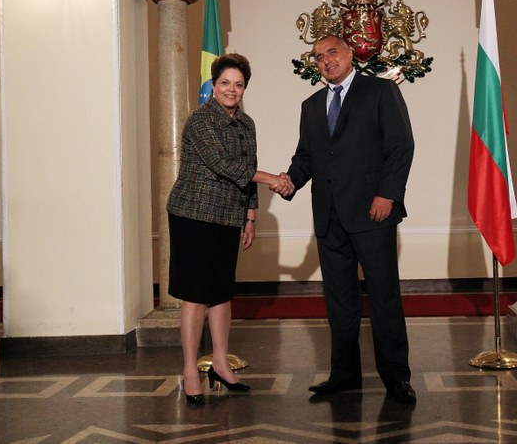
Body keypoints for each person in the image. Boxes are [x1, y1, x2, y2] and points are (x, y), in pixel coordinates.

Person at [283, 35, 416, 403]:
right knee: (339, 300)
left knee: (384, 298)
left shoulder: (380, 91)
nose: (325, 60)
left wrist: (388, 194)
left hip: (374, 213)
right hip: (329, 218)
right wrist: (289, 181)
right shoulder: (311, 106)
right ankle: (344, 374)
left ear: (350, 54)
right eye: (318, 56)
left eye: (332, 52)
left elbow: (401, 145)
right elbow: (307, 157)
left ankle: (396, 378)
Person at [167, 53, 293, 406]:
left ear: (244, 88)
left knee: (221, 292)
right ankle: (191, 369)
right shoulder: (201, 120)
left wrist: (251, 217)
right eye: (225, 83)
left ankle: (220, 362)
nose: (232, 89)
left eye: (238, 84)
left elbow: (246, 174)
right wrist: (274, 179)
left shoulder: (247, 124)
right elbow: (224, 165)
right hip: (193, 214)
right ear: (214, 84)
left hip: (227, 216)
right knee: (195, 294)